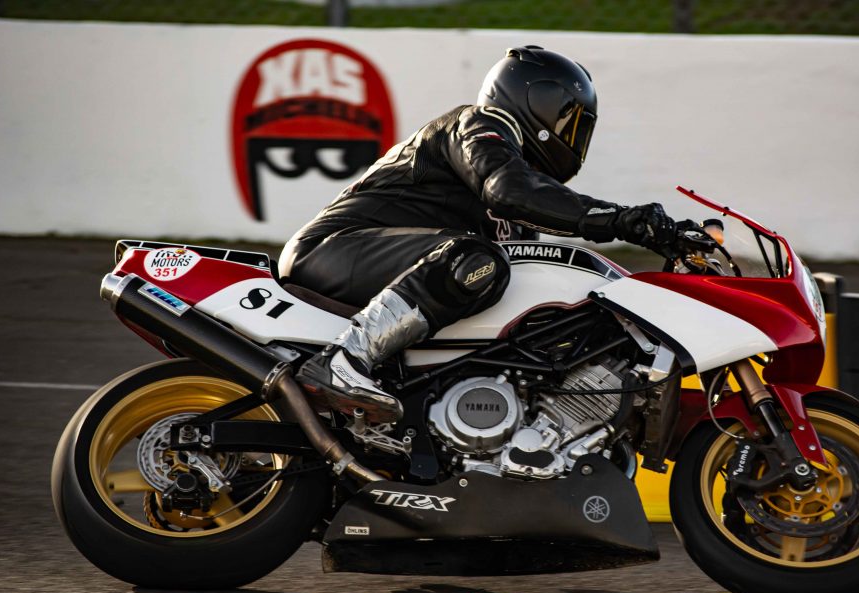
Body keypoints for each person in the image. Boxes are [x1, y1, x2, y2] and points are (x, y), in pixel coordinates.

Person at [278, 45, 699, 421]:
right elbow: (509, 189)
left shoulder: (518, 211)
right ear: (537, 101)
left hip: (382, 266)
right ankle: (344, 359)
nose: (573, 136)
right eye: (569, 120)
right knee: (478, 260)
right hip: (332, 250)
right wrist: (624, 220)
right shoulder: (476, 125)